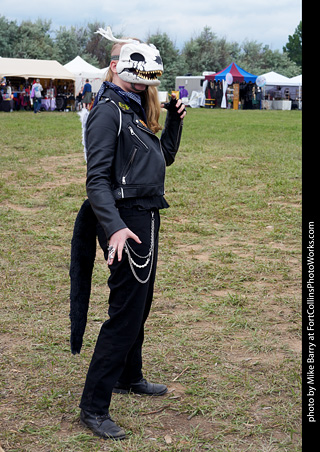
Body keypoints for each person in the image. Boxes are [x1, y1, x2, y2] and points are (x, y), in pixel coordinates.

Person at [70, 27, 186, 441]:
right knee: (125, 312)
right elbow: (96, 179)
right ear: (115, 67)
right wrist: (114, 227)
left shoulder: (134, 107)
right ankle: (93, 406)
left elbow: (163, 158)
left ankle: (129, 376)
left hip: (146, 215)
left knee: (140, 304)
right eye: (130, 66)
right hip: (124, 221)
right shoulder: (108, 111)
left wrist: (173, 121)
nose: (142, 79)